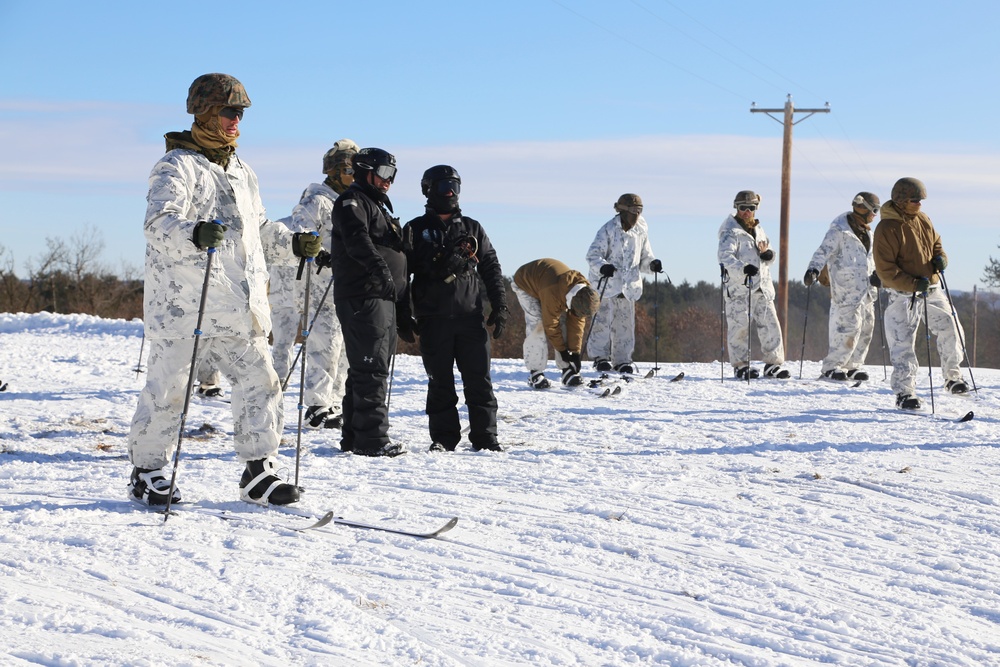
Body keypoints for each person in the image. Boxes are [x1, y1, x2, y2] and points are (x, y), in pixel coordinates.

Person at [127, 73, 321, 507]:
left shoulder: (243, 171)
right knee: (168, 390)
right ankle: (149, 470)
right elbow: (158, 224)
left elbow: (257, 230)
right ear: (205, 112)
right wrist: (194, 233)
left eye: (241, 113)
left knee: (262, 383)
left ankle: (259, 471)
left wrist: (290, 242)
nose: (236, 121)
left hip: (239, 308)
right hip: (187, 309)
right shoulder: (176, 165)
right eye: (229, 112)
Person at [402, 165, 507, 452]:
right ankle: (443, 439)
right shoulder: (414, 229)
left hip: (470, 318)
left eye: (454, 186)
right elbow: (401, 275)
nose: (449, 192)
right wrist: (402, 314)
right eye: (443, 186)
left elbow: (491, 268)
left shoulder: (472, 228)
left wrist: (500, 305)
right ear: (428, 190)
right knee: (440, 385)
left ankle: (486, 438)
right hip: (433, 320)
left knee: (479, 382)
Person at [329, 147, 407, 457]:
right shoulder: (352, 202)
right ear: (365, 171)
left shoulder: (377, 206)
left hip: (383, 296)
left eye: (393, 175)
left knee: (369, 367)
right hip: (364, 294)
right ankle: (373, 440)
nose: (389, 181)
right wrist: (380, 269)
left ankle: (353, 437)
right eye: (384, 173)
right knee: (370, 367)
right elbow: (356, 239)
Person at [873, 177, 970, 410]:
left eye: (920, 200)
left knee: (950, 325)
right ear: (901, 200)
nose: (919, 204)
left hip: (932, 289)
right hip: (902, 294)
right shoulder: (887, 228)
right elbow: (885, 270)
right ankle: (905, 393)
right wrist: (912, 283)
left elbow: (936, 242)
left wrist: (941, 257)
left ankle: (953, 378)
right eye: (915, 200)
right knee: (902, 342)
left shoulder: (923, 219)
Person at [288, 139, 358, 429]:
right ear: (335, 171)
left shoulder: (353, 200)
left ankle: (337, 400)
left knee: (343, 346)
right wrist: (319, 252)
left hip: (348, 283)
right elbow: (299, 227)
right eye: (349, 170)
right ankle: (317, 404)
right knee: (324, 344)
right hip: (321, 282)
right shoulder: (318, 200)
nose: (353, 175)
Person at [803, 192, 881, 382]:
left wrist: (878, 274)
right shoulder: (839, 230)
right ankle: (833, 365)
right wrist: (813, 269)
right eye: (874, 211)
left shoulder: (867, 231)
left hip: (867, 289)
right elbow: (823, 250)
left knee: (865, 328)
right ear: (864, 209)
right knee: (847, 327)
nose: (875, 215)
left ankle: (853, 365)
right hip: (846, 289)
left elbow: (870, 258)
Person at [585, 193, 662, 374]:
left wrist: (652, 265)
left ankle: (622, 360)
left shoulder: (641, 232)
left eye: (640, 211)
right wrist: (603, 267)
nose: (636, 215)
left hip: (628, 287)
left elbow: (644, 258)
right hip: (606, 286)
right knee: (602, 323)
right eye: (633, 211)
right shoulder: (608, 230)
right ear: (623, 211)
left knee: (625, 326)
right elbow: (593, 255)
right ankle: (600, 358)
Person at [717, 190, 790, 379]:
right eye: (743, 208)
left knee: (770, 325)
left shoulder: (759, 229)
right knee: (739, 327)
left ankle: (773, 364)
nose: (747, 212)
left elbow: (768, 250)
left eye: (751, 208)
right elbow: (725, 257)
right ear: (736, 208)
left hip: (762, 287)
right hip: (740, 289)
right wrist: (743, 269)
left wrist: (768, 256)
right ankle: (740, 365)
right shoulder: (730, 232)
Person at [512, 258, 601, 389]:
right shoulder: (554, 293)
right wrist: (563, 350)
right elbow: (551, 325)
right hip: (525, 282)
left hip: (547, 284)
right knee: (538, 324)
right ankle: (535, 373)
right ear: (573, 302)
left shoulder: (584, 294)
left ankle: (567, 371)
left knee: (564, 323)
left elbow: (576, 324)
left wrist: (575, 352)